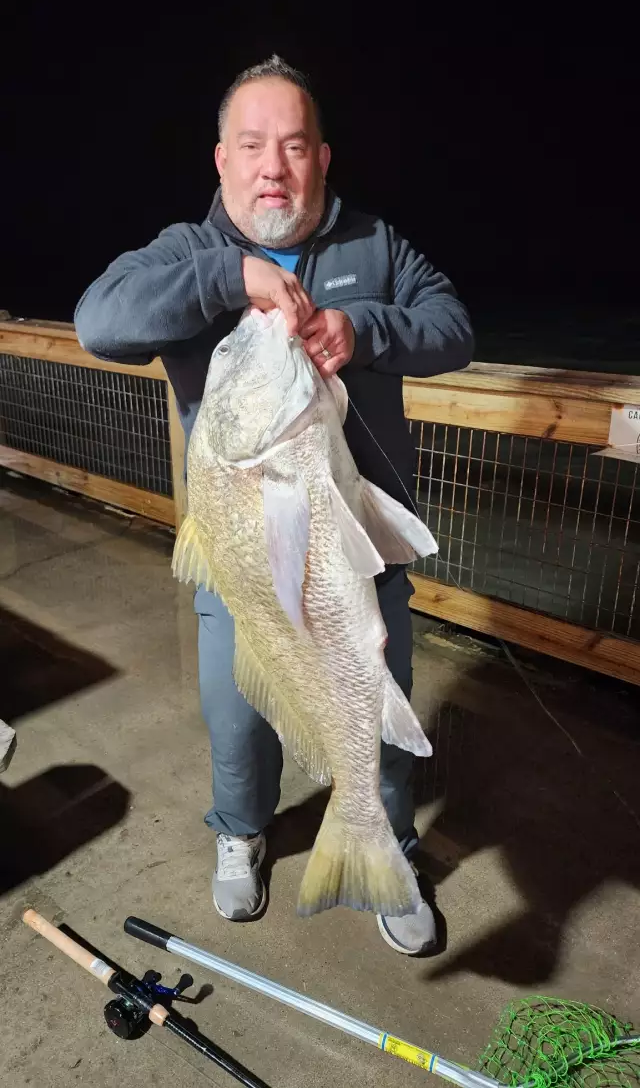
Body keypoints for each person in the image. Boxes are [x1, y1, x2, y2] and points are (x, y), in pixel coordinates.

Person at [75, 56, 474, 956]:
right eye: (252, 146)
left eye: (293, 146)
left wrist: (367, 328)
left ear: (322, 156)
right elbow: (100, 321)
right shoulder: (185, 252)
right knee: (234, 706)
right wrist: (231, 280)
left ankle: (386, 845)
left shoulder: (375, 244)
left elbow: (453, 325)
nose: (273, 166)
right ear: (221, 160)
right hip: (238, 553)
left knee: (375, 694)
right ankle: (242, 828)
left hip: (359, 557)